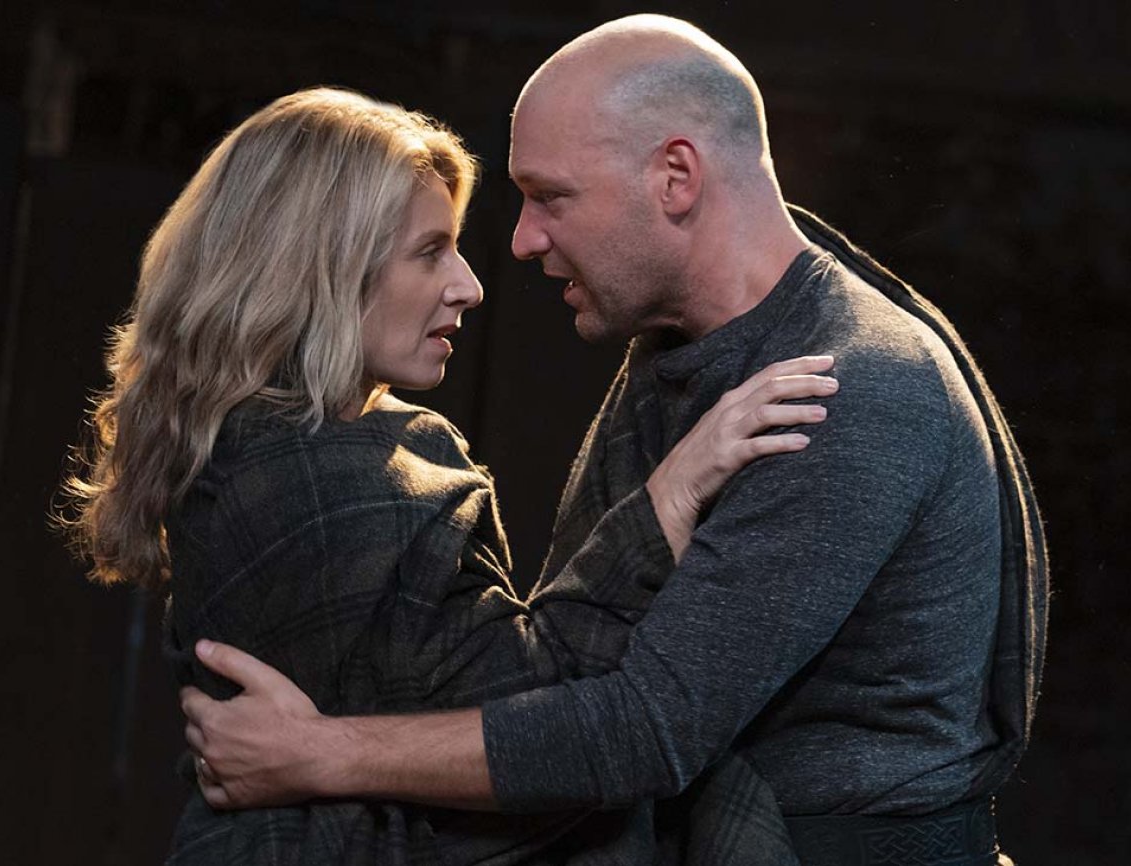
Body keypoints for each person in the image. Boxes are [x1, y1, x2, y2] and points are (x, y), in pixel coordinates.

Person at [182, 15, 1048, 866]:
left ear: (675, 176)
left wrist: (321, 755)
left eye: (551, 196)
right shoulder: (674, 349)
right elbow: (569, 657)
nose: (520, 241)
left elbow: (645, 727)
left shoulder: (844, 386)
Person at [59, 86, 839, 863]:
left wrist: (322, 749)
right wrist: (676, 488)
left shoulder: (269, 445)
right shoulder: (313, 472)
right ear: (323, 268)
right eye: (430, 252)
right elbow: (533, 707)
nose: (468, 285)